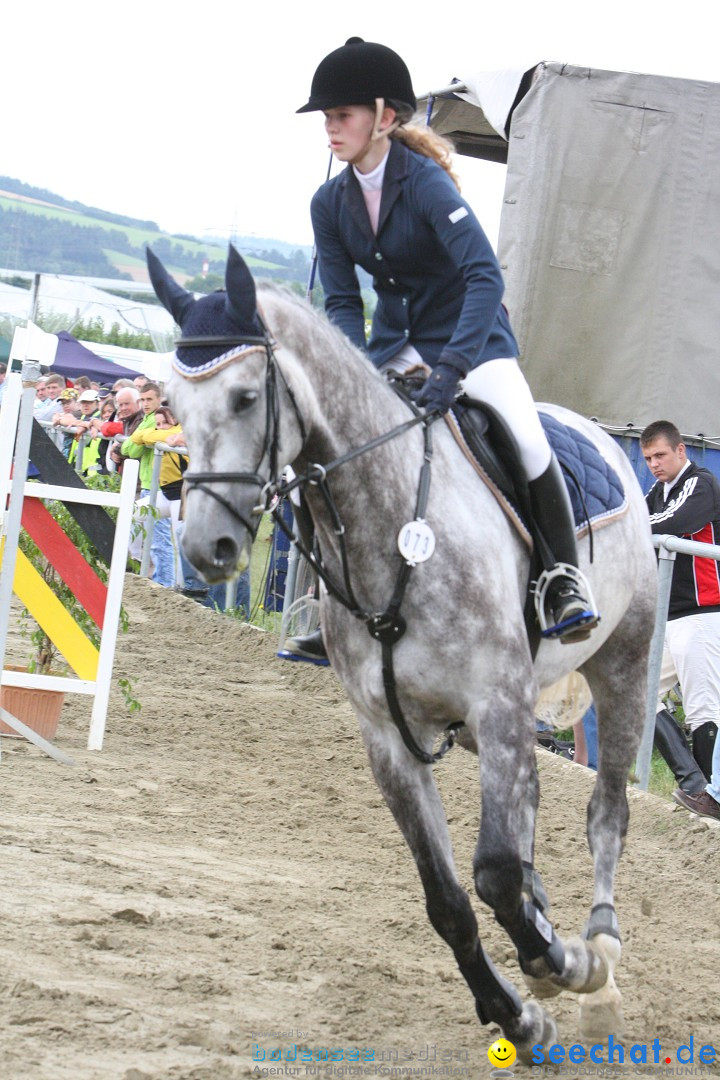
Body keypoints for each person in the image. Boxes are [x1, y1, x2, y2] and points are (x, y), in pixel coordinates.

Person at [285, 36, 599, 661]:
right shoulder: (329, 203)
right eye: (326, 117)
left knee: (527, 439)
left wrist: (451, 367)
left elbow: (485, 277)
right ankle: (335, 605)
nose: (331, 128)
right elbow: (345, 302)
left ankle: (561, 579)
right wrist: (355, 373)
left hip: (473, 342)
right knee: (312, 456)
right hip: (396, 347)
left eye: (342, 115)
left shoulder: (425, 185)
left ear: (384, 116)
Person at [641, 420, 720, 819]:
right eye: (648, 458)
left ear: (681, 451)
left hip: (704, 612)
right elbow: (642, 516)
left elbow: (674, 521)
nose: (654, 464)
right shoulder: (658, 490)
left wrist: (627, 526)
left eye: (660, 455)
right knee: (641, 691)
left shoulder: (700, 482)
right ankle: (695, 785)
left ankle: (708, 801)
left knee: (704, 707)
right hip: (671, 616)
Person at [120, 382, 175, 588]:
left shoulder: (159, 419)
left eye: (149, 399)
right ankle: (151, 577)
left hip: (159, 484)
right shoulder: (145, 420)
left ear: (159, 399)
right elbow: (130, 450)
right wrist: (139, 440)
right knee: (144, 532)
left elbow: (131, 449)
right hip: (148, 482)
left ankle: (165, 583)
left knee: (159, 539)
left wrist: (139, 439)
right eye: (142, 400)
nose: (145, 404)